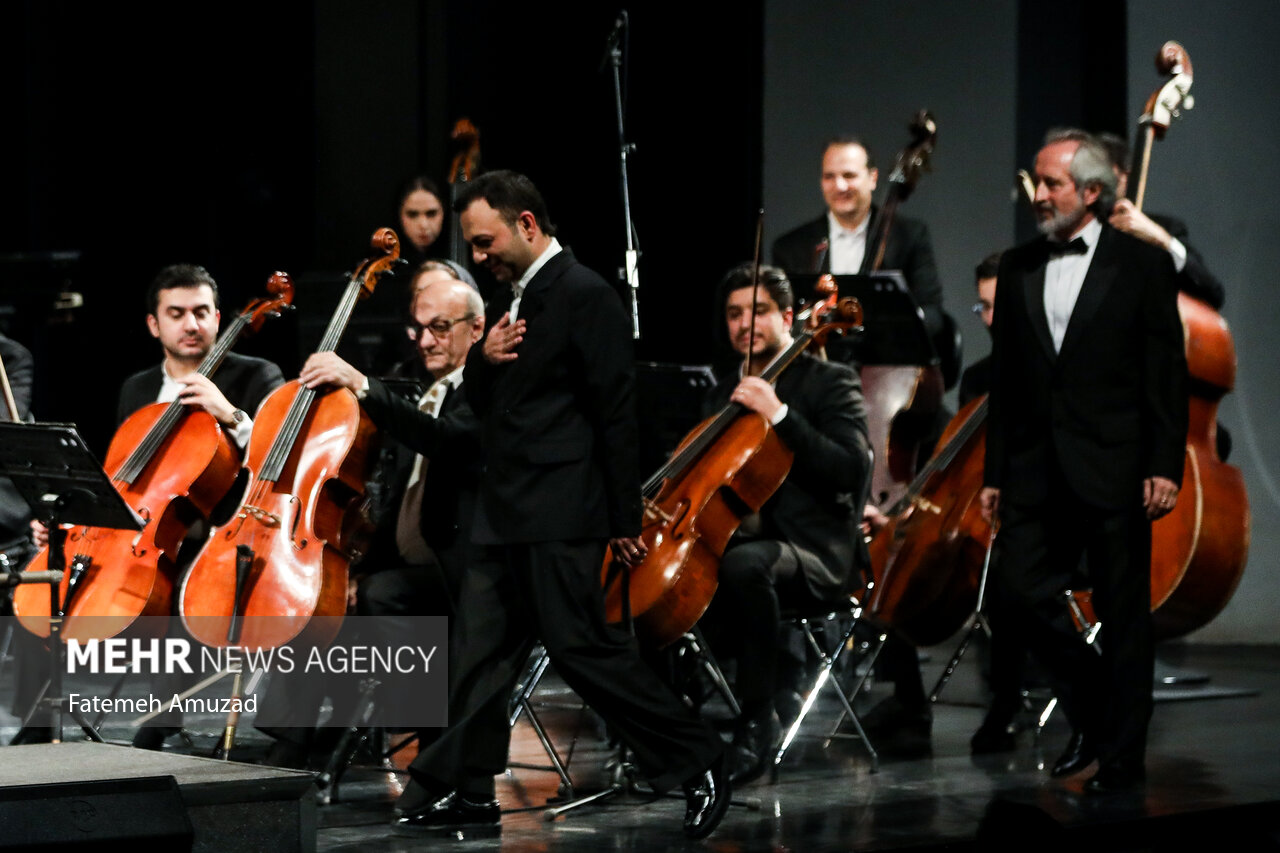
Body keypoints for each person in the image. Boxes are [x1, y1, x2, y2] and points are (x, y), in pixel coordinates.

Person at [393, 170, 730, 839]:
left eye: (484, 241)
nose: (478, 256)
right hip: (502, 513)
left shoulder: (586, 294)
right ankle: (468, 792)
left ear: (526, 224)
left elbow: (616, 413)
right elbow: (483, 406)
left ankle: (700, 759)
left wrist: (622, 517)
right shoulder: (511, 301)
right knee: (479, 656)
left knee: (583, 652)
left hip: (559, 512)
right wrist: (483, 359)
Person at [979, 131, 1187, 793]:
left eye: (1052, 184)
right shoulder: (1018, 265)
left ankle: (1122, 758)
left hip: (1116, 465)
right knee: (1015, 595)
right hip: (1036, 468)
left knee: (1124, 617)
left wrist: (1165, 463)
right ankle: (1100, 711)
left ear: (1092, 191)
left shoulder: (1143, 263)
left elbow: (1165, 372)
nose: (1038, 195)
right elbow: (1007, 382)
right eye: (1036, 182)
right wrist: (993, 473)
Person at [19, 264, 285, 747]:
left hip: (222, 533)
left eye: (201, 312)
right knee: (49, 577)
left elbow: (279, 459)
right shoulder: (137, 389)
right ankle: (38, 721)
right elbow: (122, 479)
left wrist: (231, 415)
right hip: (143, 532)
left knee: (185, 583)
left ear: (218, 317)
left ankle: (161, 723)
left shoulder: (256, 376)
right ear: (153, 324)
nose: (191, 324)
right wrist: (72, 522)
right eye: (176, 313)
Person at [253, 268, 485, 768]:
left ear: (477, 328)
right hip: (408, 566)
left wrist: (361, 384)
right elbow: (397, 503)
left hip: (464, 571)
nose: (426, 341)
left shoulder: (482, 391)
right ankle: (294, 742)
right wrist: (355, 570)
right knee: (325, 594)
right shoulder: (425, 391)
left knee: (385, 594)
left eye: (440, 327)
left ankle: (424, 743)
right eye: (419, 328)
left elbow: (446, 441)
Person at [698, 263, 872, 785]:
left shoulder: (829, 381)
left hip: (814, 550)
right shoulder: (721, 395)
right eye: (734, 314)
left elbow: (849, 469)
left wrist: (778, 413)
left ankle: (758, 721)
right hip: (741, 544)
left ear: (788, 315)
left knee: (744, 566)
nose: (744, 324)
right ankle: (671, 724)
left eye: (758, 311)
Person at [772, 135, 945, 338]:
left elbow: (932, 314)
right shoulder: (790, 247)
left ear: (873, 178)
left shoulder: (909, 236)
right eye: (829, 177)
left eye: (849, 175)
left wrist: (900, 328)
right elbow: (781, 320)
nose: (840, 186)